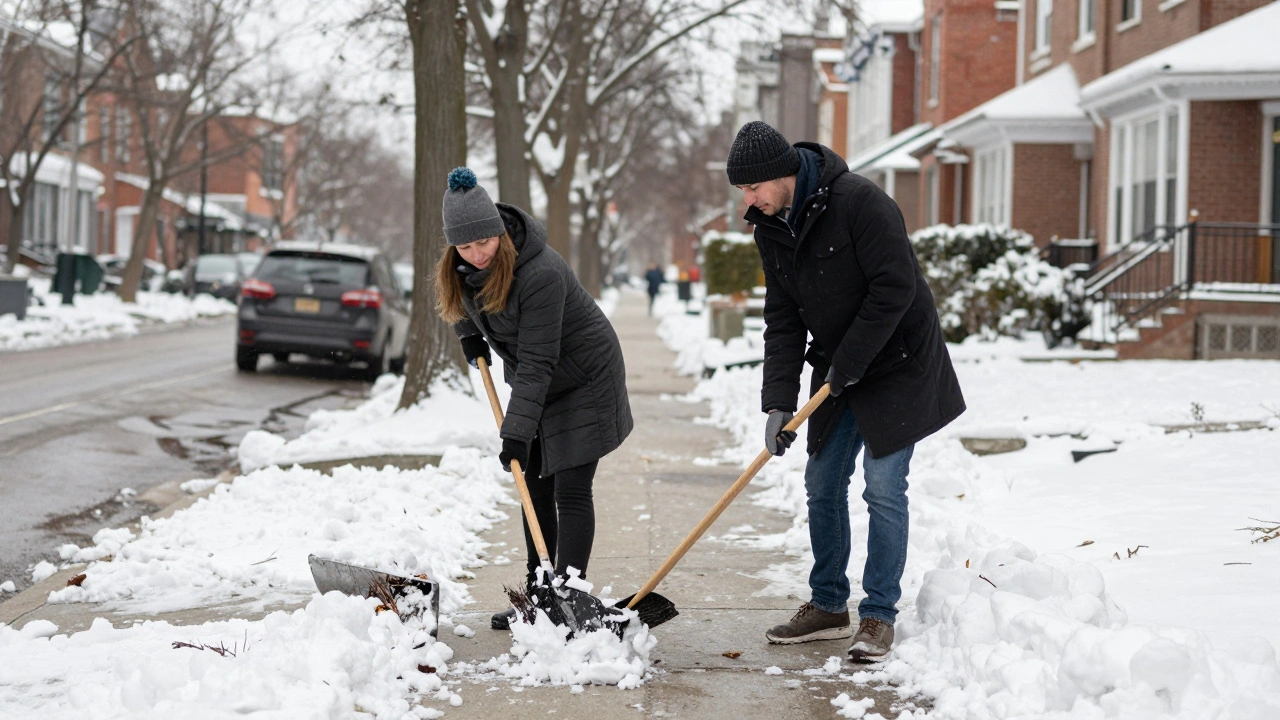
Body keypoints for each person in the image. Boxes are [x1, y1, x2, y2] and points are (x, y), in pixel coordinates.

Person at [724, 121, 965, 662]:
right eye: (742, 190)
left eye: (753, 187)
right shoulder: (770, 225)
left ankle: (878, 615)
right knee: (822, 480)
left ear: (781, 174)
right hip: (841, 366)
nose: (749, 199)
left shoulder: (861, 202)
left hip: (899, 362)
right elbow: (782, 317)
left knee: (883, 487)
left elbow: (895, 287)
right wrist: (779, 400)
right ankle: (830, 604)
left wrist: (848, 365)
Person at [434, 167, 634, 631]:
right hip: (542, 377)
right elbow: (458, 299)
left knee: (569, 488)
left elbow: (539, 362)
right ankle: (540, 596)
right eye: (464, 247)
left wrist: (516, 434)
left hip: (585, 377)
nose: (477, 254)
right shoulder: (463, 267)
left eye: (483, 242)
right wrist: (469, 335)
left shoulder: (539, 272)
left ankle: (568, 597)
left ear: (500, 232)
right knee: (534, 489)